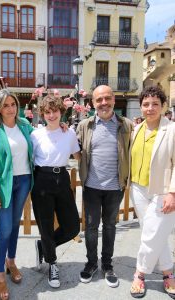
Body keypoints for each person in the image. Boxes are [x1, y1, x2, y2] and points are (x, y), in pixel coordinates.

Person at [76, 85, 133, 288]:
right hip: (91, 186)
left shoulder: (126, 125)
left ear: (113, 100)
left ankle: (107, 265)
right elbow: (72, 146)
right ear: (92, 103)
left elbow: (132, 152)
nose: (103, 103)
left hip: (115, 187)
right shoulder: (85, 125)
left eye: (107, 98)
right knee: (91, 227)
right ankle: (91, 263)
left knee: (110, 226)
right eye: (99, 100)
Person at [0, 89, 33, 300]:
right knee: (4, 228)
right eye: (5, 105)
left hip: (24, 181)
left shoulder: (25, 125)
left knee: (14, 225)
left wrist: (63, 128)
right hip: (4, 185)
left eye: (13, 104)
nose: (10, 108)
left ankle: (11, 261)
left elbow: (42, 138)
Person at [129, 86, 175, 299]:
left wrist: (172, 193)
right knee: (157, 234)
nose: (150, 108)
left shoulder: (172, 129)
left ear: (163, 106)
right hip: (137, 188)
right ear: (140, 107)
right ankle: (168, 272)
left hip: (162, 190)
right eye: (146, 104)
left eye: (155, 104)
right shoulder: (136, 129)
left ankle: (140, 274)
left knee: (150, 235)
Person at [31, 95, 81, 288]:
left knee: (72, 227)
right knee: (45, 225)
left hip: (62, 178)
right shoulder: (35, 135)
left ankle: (44, 246)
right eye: (47, 112)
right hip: (42, 179)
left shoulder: (68, 133)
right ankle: (52, 262)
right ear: (42, 114)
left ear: (62, 111)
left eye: (55, 111)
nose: (51, 115)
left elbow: (78, 154)